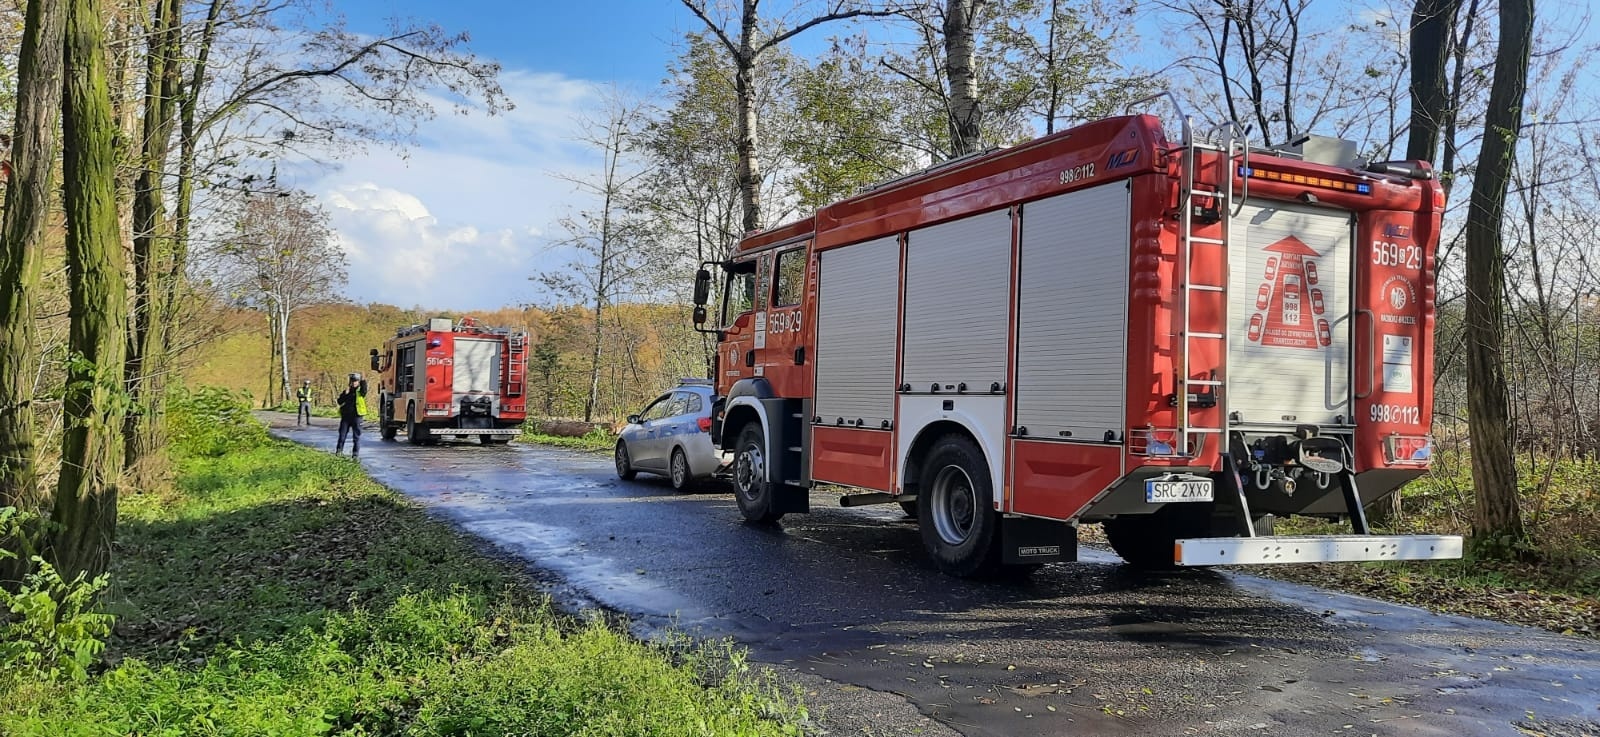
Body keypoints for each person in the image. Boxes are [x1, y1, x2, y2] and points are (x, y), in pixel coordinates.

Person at [335, 372, 368, 457]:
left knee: (356, 437)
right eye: (352, 381)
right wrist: (344, 394)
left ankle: (355, 454)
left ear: (358, 382)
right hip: (346, 417)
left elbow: (364, 389)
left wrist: (363, 380)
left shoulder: (360, 391)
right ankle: (339, 452)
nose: (354, 383)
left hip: (357, 417)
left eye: (355, 381)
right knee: (342, 436)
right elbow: (339, 401)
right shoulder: (347, 391)